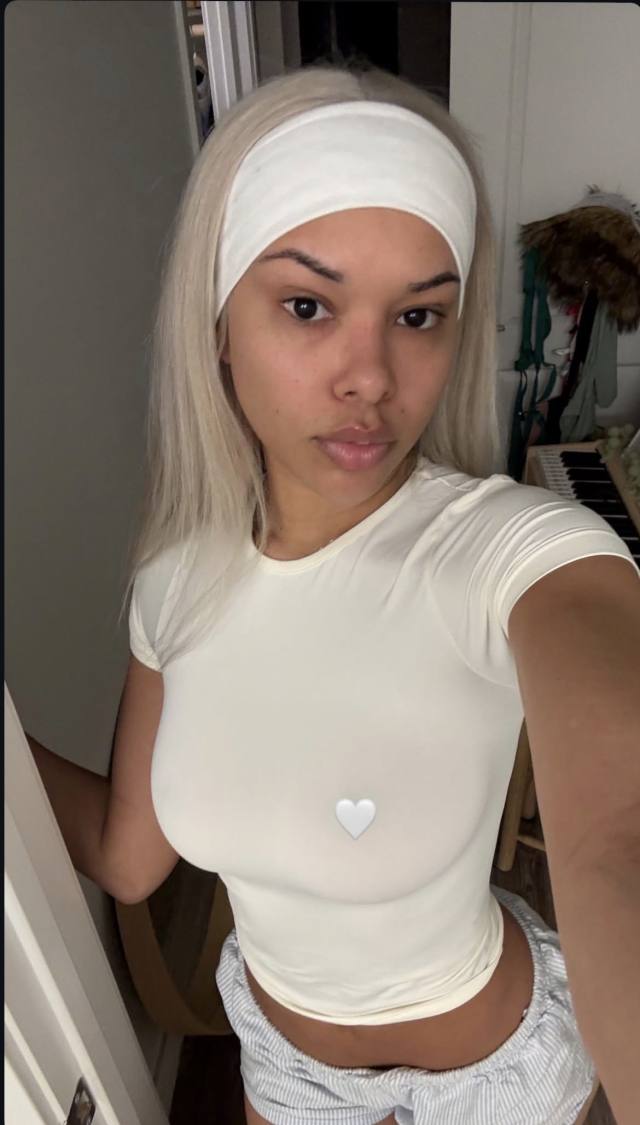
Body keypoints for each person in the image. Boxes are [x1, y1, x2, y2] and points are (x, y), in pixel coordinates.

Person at [30, 57, 640, 1125]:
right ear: (219, 324)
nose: (370, 377)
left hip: (497, 1081)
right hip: (284, 1068)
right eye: (308, 305)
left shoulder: (516, 549)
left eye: (419, 316)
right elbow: (128, 860)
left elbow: (615, 841)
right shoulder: (174, 582)